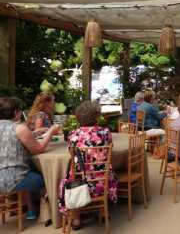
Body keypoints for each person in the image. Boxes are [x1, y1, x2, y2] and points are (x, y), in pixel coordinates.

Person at [58, 101, 118, 229]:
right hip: (102, 182)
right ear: (96, 116)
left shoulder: (73, 135)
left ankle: (76, 218)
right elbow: (109, 150)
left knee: (66, 179)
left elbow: (71, 153)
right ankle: (102, 212)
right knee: (109, 171)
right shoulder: (105, 132)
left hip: (80, 184)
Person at [0, 97, 60, 220]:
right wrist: (50, 132)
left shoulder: (16, 129)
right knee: (47, 177)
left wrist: (34, 133)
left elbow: (9, 140)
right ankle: (53, 213)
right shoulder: (19, 128)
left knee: (30, 168)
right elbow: (39, 149)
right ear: (16, 112)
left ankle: (31, 209)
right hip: (15, 180)